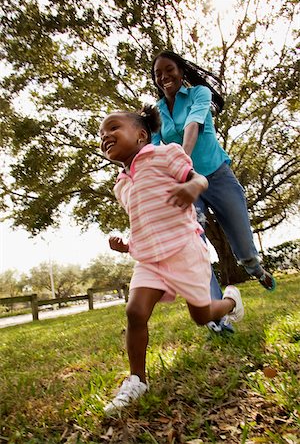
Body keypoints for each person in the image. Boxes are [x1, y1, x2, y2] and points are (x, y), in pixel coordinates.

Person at [99, 104, 244, 414]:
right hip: (150, 258)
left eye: (113, 128)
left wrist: (192, 186)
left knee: (202, 316)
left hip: (183, 249)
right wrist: (127, 243)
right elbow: (143, 220)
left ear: (141, 135)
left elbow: (199, 179)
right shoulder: (122, 184)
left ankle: (231, 302)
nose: (105, 136)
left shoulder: (165, 155)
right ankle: (137, 379)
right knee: (135, 312)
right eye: (101, 134)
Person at [150, 50, 276, 331]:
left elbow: (193, 127)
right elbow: (155, 149)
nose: (164, 77)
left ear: (181, 71)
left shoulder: (199, 94)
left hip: (218, 176)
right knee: (193, 247)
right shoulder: (156, 112)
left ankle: (255, 269)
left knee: (244, 249)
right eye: (158, 74)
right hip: (186, 184)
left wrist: (182, 160)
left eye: (169, 70)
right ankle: (218, 320)